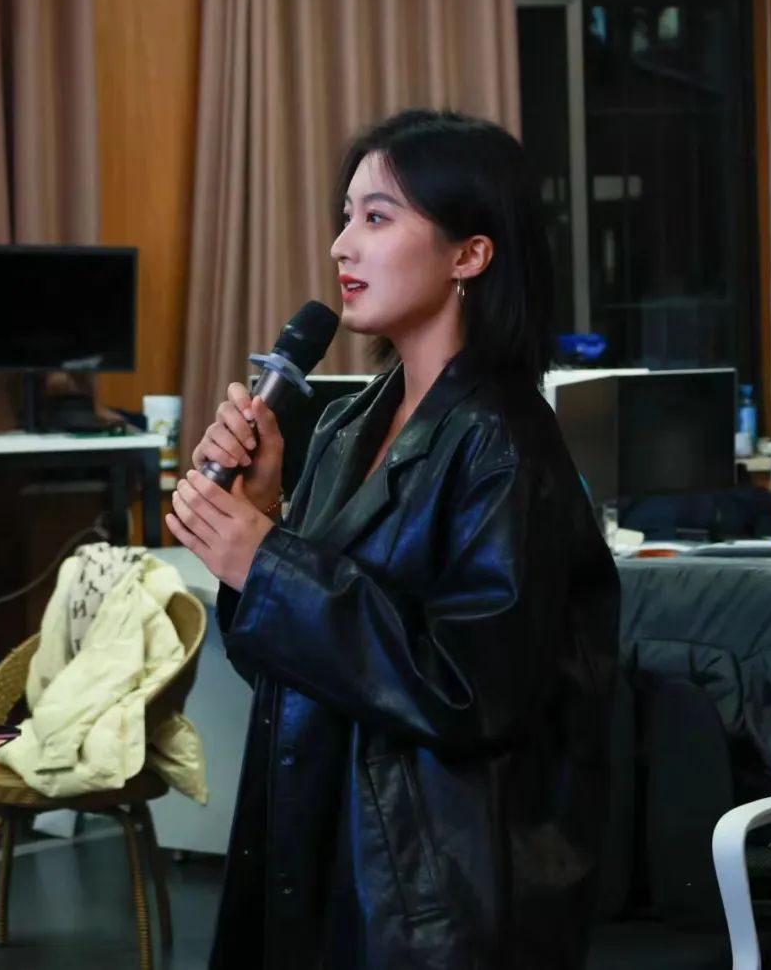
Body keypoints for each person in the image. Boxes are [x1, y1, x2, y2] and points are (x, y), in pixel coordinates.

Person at [167, 108, 620, 969]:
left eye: (377, 217)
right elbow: (293, 666)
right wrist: (265, 525)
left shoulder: (505, 443)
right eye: (346, 216)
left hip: (431, 893)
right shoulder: (348, 427)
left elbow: (468, 690)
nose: (343, 245)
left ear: (469, 255)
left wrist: (269, 561)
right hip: (318, 852)